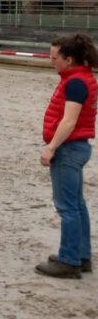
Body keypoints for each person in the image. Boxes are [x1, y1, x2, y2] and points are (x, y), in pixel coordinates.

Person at [35, 32, 97, 279]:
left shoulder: (75, 83)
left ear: (69, 59)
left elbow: (69, 120)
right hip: (78, 147)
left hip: (69, 149)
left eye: (55, 58)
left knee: (67, 207)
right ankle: (81, 256)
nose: (52, 62)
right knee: (78, 204)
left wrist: (51, 148)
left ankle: (69, 260)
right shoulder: (83, 78)